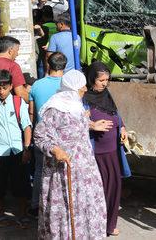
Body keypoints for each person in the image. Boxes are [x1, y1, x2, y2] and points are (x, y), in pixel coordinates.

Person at [34, 70, 107, 239]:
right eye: (81, 88)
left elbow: (72, 126)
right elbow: (40, 136)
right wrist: (55, 149)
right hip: (63, 170)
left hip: (84, 170)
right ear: (72, 89)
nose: (84, 90)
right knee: (67, 209)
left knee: (86, 207)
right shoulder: (55, 109)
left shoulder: (75, 105)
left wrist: (92, 125)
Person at [84, 62, 131, 236]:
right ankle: (97, 225)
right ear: (91, 79)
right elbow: (78, 120)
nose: (104, 83)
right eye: (101, 80)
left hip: (113, 151)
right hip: (96, 153)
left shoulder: (107, 95)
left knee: (115, 187)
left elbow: (115, 113)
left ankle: (110, 225)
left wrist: (123, 127)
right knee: (99, 190)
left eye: (107, 80)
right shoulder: (84, 98)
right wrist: (92, 125)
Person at [0, 70, 32, 227]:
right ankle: (0, 213)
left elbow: (27, 127)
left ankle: (23, 213)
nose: (1, 91)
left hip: (17, 150)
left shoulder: (18, 103)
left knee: (21, 183)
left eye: (4, 88)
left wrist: (26, 148)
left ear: (11, 86)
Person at [28, 52, 67, 217]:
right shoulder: (68, 86)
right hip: (63, 137)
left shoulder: (37, 85)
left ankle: (36, 206)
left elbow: (31, 112)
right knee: (61, 173)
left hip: (41, 135)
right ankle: (60, 206)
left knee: (39, 171)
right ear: (65, 66)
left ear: (48, 64)